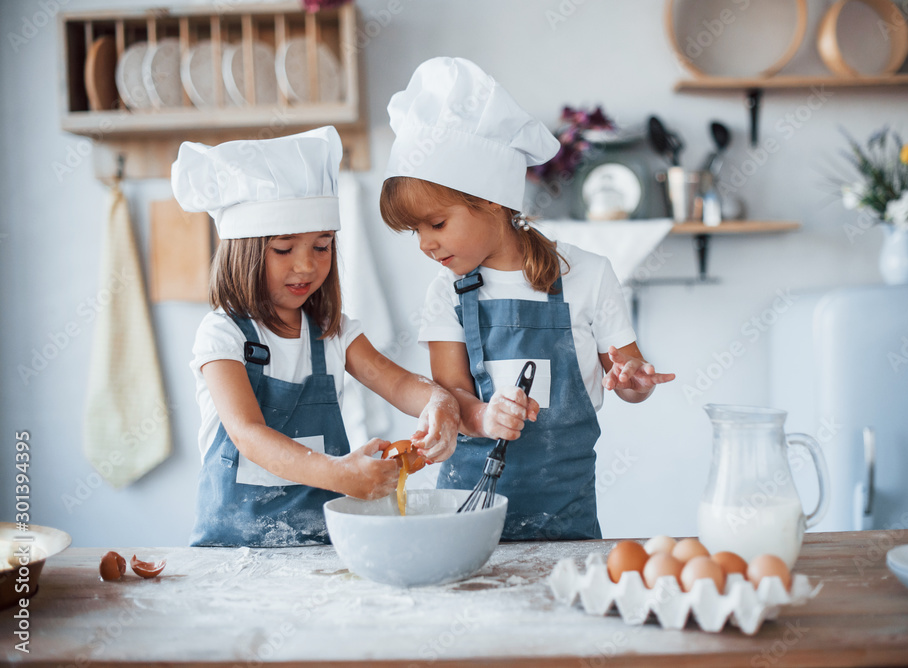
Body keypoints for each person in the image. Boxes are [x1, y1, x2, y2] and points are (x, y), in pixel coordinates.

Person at [379, 58, 674, 541]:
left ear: (490, 199)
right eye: (414, 231)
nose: (424, 244)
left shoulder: (589, 276)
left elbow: (632, 380)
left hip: (565, 511)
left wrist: (634, 379)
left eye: (436, 223)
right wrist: (484, 416)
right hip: (466, 510)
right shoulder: (446, 292)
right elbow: (449, 393)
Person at [172, 126, 460, 547]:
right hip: (233, 551)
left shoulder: (332, 331)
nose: (306, 266)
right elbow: (247, 433)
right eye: (285, 249)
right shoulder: (222, 336)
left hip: (323, 547)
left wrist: (440, 403)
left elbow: (397, 382)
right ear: (244, 251)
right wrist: (339, 475)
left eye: (322, 246)